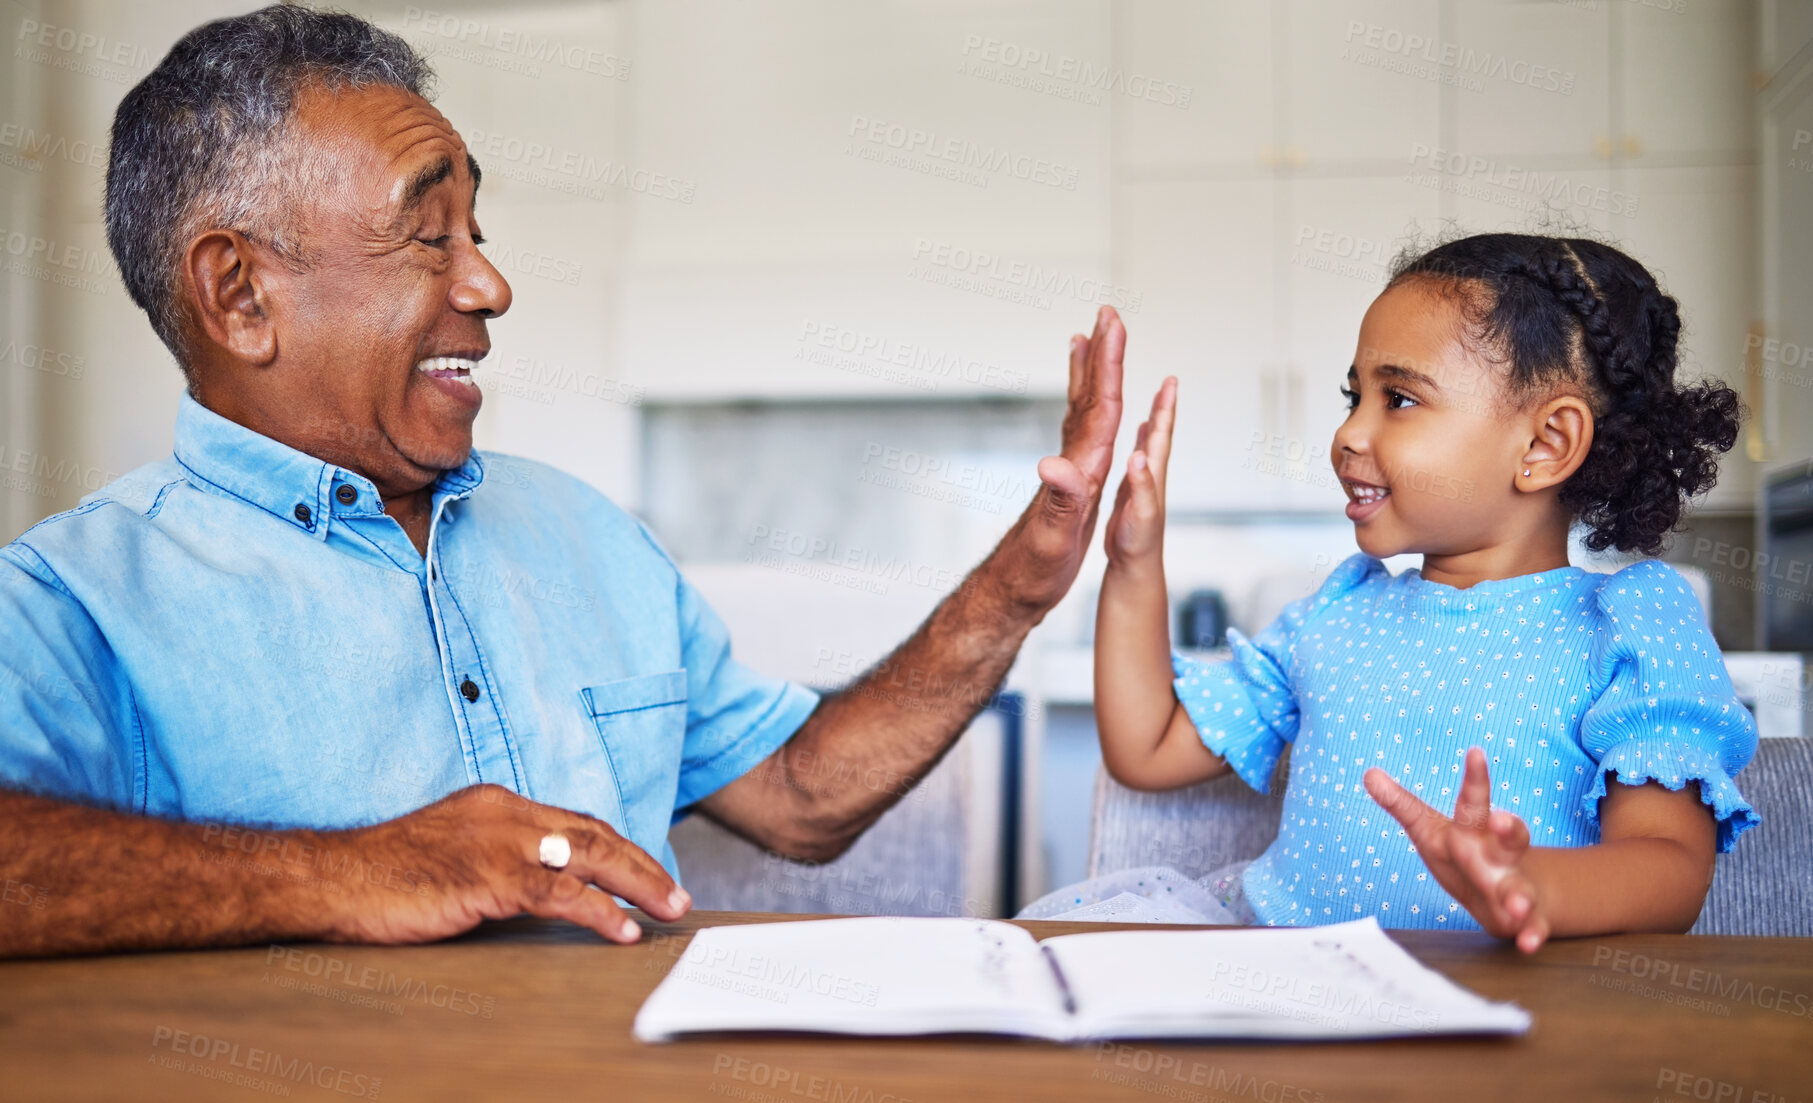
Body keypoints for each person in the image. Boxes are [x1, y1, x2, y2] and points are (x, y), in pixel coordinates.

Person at [0, 7, 1127, 957]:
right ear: (239, 295)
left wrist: (1019, 583)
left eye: (474, 229)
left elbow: (798, 796)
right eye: (425, 233)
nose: (488, 283)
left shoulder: (584, 530)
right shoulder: (71, 600)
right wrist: (353, 872)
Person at [1047, 233, 1758, 952]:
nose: (1348, 432)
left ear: (1544, 444)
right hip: (1279, 985)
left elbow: (1670, 866)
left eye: (1398, 398)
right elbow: (1146, 746)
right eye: (1353, 395)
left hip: (1496, 1013)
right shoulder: (1337, 612)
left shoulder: (1627, 630)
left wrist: (1528, 884)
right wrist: (1133, 562)